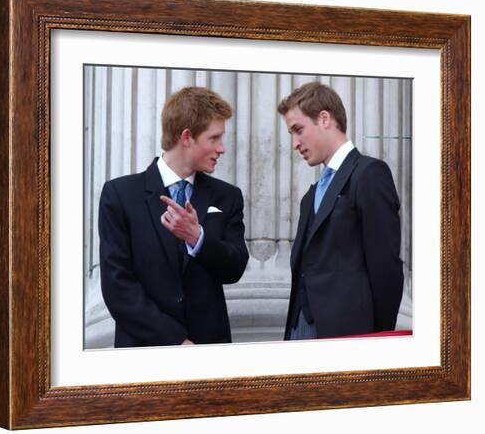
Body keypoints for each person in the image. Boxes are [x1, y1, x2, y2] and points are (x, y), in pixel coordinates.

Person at [99, 86, 249, 348]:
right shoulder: (120, 195)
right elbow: (117, 285)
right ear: (187, 137)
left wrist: (198, 238)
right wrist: (175, 340)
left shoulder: (228, 197)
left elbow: (234, 268)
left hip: (210, 355)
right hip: (143, 355)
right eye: (214, 138)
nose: (222, 148)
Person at [277, 82, 404, 340]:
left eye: (298, 130)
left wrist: (378, 340)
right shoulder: (309, 196)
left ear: (324, 118)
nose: (294, 143)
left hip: (347, 336)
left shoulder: (369, 174)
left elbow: (386, 268)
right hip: (297, 331)